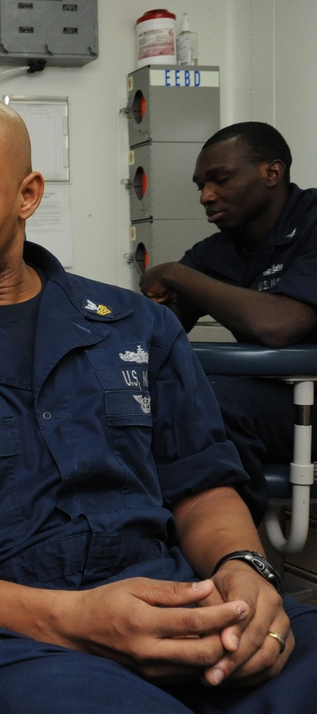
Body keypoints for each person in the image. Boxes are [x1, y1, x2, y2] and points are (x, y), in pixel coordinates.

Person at [0, 94, 317, 713]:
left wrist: (245, 571)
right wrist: (73, 618)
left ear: (27, 196)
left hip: (172, 601)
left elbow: (202, 487)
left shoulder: (137, 326)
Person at [139, 122, 317, 524]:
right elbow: (160, 331)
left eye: (220, 179)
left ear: (271, 173)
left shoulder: (312, 223)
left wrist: (177, 277)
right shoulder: (216, 251)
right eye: (201, 184)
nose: (206, 196)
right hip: (269, 405)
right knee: (147, 394)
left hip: (305, 406)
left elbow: (281, 325)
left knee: (209, 400)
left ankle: (233, 548)